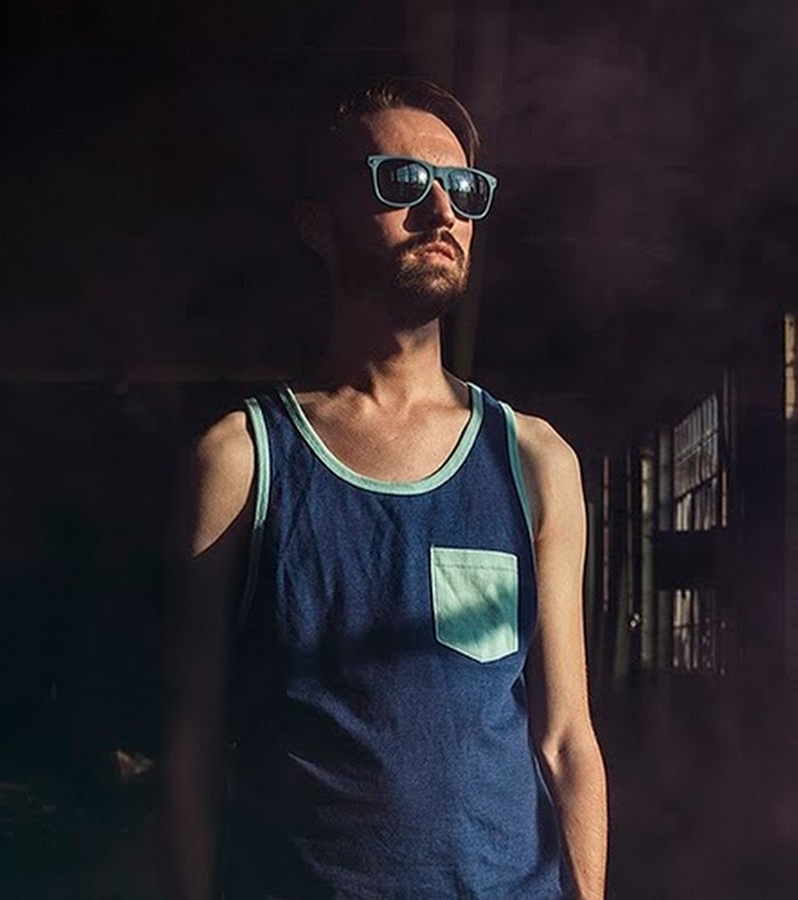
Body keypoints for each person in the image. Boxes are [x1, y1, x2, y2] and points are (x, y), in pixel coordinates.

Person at [163, 76, 607, 899]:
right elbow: (192, 739)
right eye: (402, 182)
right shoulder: (243, 460)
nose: (442, 211)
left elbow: (567, 740)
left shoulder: (533, 459)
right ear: (318, 225)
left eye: (464, 190)